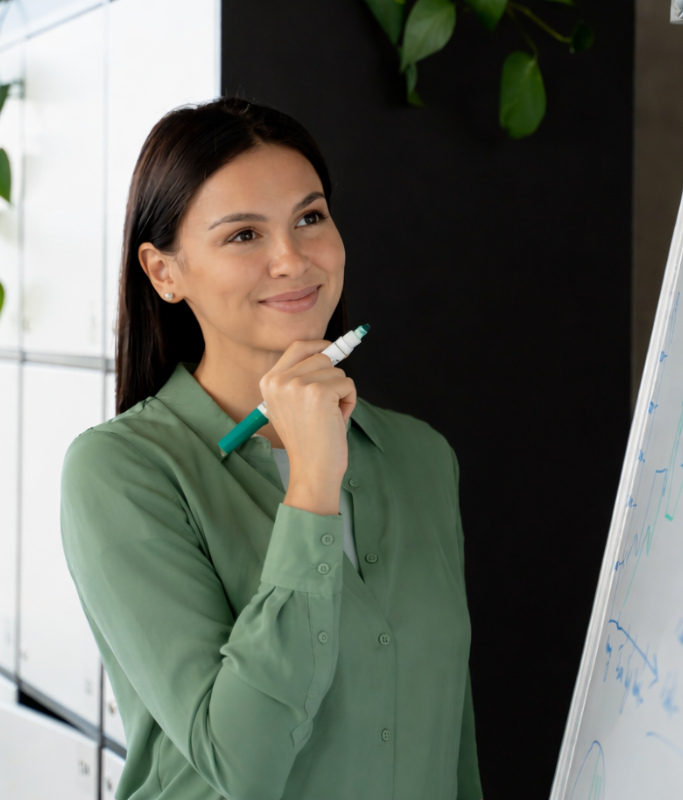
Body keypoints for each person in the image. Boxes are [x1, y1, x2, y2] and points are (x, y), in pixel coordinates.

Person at [60, 98, 481, 800]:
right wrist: (312, 479)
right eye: (244, 235)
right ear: (164, 272)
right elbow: (240, 763)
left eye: (310, 218)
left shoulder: (420, 458)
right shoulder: (120, 473)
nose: (293, 260)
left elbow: (451, 745)